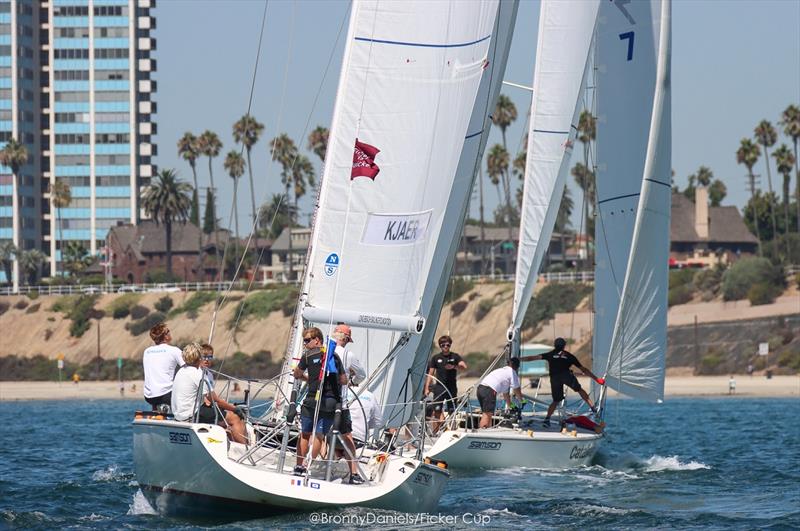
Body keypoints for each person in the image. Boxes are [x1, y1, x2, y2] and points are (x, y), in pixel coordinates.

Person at [292, 327, 353, 480]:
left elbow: (297, 374)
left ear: (317, 340)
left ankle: (299, 466)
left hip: (312, 399)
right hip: (331, 402)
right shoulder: (335, 357)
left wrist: (310, 379)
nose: (305, 344)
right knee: (319, 435)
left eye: (307, 340)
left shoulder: (308, 355)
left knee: (305, 434)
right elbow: (344, 381)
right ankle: (308, 464)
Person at [171, 342, 248, 444]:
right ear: (198, 358)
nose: (205, 359)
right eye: (202, 357)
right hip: (191, 415)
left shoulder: (181, 371)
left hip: (179, 415)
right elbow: (214, 399)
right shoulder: (197, 373)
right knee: (234, 417)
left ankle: (229, 442)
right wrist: (235, 409)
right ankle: (244, 449)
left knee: (223, 416)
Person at [521, 337, 604, 427]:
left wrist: (519, 359)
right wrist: (596, 379)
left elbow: (532, 358)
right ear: (564, 346)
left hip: (555, 379)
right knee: (580, 390)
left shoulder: (550, 354)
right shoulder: (569, 356)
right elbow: (584, 370)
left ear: (554, 345)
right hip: (567, 376)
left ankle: (547, 419)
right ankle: (593, 408)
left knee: (556, 400)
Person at [331, 324, 364, 482]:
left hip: (321, 400)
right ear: (346, 339)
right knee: (347, 436)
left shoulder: (323, 350)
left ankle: (307, 466)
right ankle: (354, 473)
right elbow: (361, 375)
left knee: (319, 434)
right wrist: (350, 382)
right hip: (340, 403)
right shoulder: (348, 355)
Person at [424, 335, 467, 432]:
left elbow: (464, 366)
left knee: (452, 410)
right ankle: (436, 431)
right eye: (443, 345)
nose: (445, 347)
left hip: (451, 387)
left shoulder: (455, 356)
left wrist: (454, 367)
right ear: (440, 346)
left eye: (447, 345)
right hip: (439, 387)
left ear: (450, 345)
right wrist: (427, 388)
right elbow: (430, 374)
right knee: (437, 409)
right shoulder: (436, 358)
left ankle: (452, 430)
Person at [142, 323, 184, 411]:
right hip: (166, 395)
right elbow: (189, 367)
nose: (170, 333)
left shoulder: (147, 351)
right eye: (168, 332)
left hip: (149, 397)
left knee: (158, 391)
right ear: (165, 336)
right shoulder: (174, 350)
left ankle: (156, 412)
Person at [477, 358, 523, 428]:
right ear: (517, 366)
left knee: (487, 414)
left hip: (481, 388)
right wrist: (522, 401)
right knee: (487, 414)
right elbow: (516, 389)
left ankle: (487, 431)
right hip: (489, 390)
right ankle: (481, 432)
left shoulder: (502, 371)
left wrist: (511, 406)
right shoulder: (512, 373)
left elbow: (506, 394)